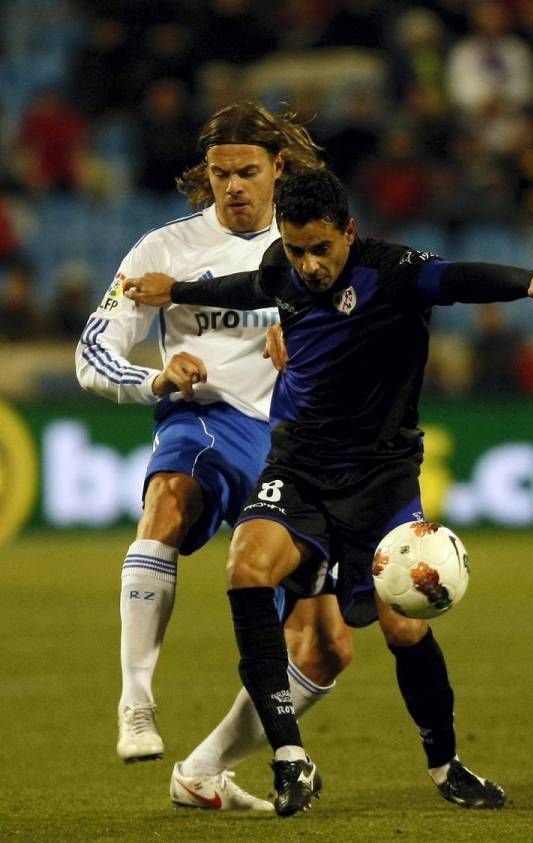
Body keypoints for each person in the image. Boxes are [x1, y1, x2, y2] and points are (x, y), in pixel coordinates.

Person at [124, 168, 533, 817]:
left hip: (380, 480)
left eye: (320, 249)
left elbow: (455, 278)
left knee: (402, 624)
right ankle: (289, 757)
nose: (306, 264)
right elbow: (250, 285)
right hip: (299, 466)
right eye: (296, 247)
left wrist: (524, 281)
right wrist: (181, 289)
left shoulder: (391, 272)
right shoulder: (283, 266)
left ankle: (445, 762)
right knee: (246, 566)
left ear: (349, 232)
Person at [76, 101, 346, 811]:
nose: (233, 185)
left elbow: (365, 335)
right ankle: (136, 700)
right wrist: (156, 378)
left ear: (278, 168)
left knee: (324, 647)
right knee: (167, 496)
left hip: (293, 444)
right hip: (206, 421)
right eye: (221, 172)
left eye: (247, 171)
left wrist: (310, 351)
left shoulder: (311, 244)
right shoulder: (161, 251)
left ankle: (203, 768)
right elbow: (92, 351)